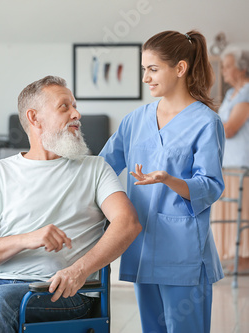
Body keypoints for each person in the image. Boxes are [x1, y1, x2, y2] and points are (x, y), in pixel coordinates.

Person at [0, 75, 142, 333]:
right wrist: (27, 239)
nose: (77, 113)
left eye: (74, 106)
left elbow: (128, 223)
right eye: (65, 106)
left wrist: (78, 271)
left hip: (62, 290)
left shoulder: (95, 168)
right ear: (34, 118)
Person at [99, 30, 225, 333]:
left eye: (152, 69)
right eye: (144, 69)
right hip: (141, 246)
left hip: (184, 253)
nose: (145, 78)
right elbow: (101, 168)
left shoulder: (206, 122)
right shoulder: (134, 120)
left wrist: (170, 180)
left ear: (180, 68)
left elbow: (210, 185)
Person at [211, 47, 249, 273]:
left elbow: (232, 128)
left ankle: (244, 258)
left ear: (241, 68)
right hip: (227, 162)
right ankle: (233, 255)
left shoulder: (246, 92)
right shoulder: (229, 94)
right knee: (227, 211)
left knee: (242, 211)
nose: (223, 71)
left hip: (242, 162)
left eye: (227, 66)